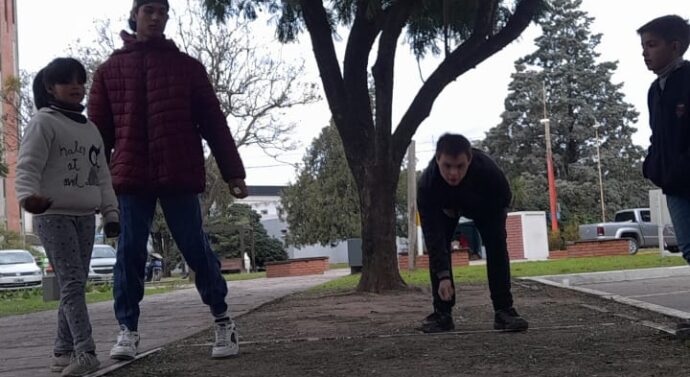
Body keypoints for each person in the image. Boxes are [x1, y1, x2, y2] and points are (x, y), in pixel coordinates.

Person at [87, 0, 248, 360]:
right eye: (149, 10)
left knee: (195, 248)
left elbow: (214, 123)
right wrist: (92, 186)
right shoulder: (109, 71)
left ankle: (223, 321)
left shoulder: (187, 68)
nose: (156, 17)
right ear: (135, 15)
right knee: (128, 252)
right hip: (129, 178)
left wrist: (233, 172)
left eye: (162, 12)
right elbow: (97, 138)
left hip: (178, 171)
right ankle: (127, 330)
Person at [15, 57, 120, 376]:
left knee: (74, 283)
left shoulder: (90, 129)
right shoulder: (42, 122)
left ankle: (62, 352)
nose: (76, 86)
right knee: (73, 283)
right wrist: (26, 197)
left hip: (86, 215)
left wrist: (111, 212)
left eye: (80, 80)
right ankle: (85, 351)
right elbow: (28, 165)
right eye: (67, 81)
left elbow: (102, 174)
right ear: (50, 87)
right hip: (53, 214)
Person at [416, 133, 528, 333]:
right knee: (439, 247)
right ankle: (442, 313)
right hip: (445, 209)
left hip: (485, 206)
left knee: (497, 246)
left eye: (460, 166)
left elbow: (503, 199)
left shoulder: (489, 171)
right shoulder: (427, 184)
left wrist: (471, 206)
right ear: (437, 159)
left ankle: (504, 310)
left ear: (470, 160)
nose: (453, 174)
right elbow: (433, 237)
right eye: (447, 166)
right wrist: (443, 276)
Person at [638, 15, 690, 265]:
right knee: (688, 248)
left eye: (652, 45)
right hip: (674, 187)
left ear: (675, 46)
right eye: (643, 46)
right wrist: (652, 165)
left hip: (684, 177)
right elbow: (656, 136)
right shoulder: (654, 90)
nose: (645, 53)